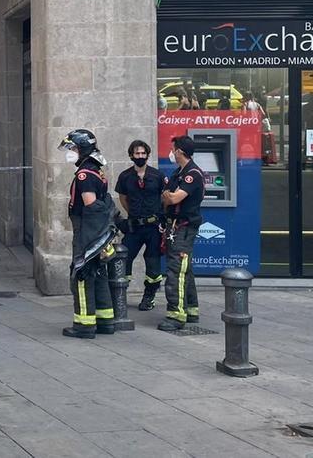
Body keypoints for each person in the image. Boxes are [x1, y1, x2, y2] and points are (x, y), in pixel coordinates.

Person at [58, 129, 118, 339]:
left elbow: (91, 205)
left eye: (73, 148)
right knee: (99, 276)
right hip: (97, 232)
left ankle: (84, 325)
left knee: (82, 275)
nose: (70, 152)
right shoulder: (97, 169)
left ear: (82, 148)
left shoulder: (85, 174)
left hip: (87, 231)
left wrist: (88, 246)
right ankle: (104, 321)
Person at [159, 135, 205, 331]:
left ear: (179, 151)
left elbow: (174, 198)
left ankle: (176, 315)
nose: (171, 152)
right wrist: (168, 197)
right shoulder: (179, 172)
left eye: (173, 149)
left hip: (184, 227)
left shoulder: (192, 174)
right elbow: (165, 196)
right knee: (186, 269)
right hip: (176, 226)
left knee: (176, 270)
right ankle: (191, 309)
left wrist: (169, 197)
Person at [114, 140, 165, 311]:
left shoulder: (157, 176)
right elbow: (122, 198)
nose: (140, 156)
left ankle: (149, 297)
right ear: (131, 155)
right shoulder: (125, 176)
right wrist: (133, 214)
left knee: (153, 263)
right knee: (124, 259)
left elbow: (165, 197)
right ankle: (119, 295)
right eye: (137, 154)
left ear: (148, 155)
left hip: (153, 227)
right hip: (134, 227)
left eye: (143, 154)